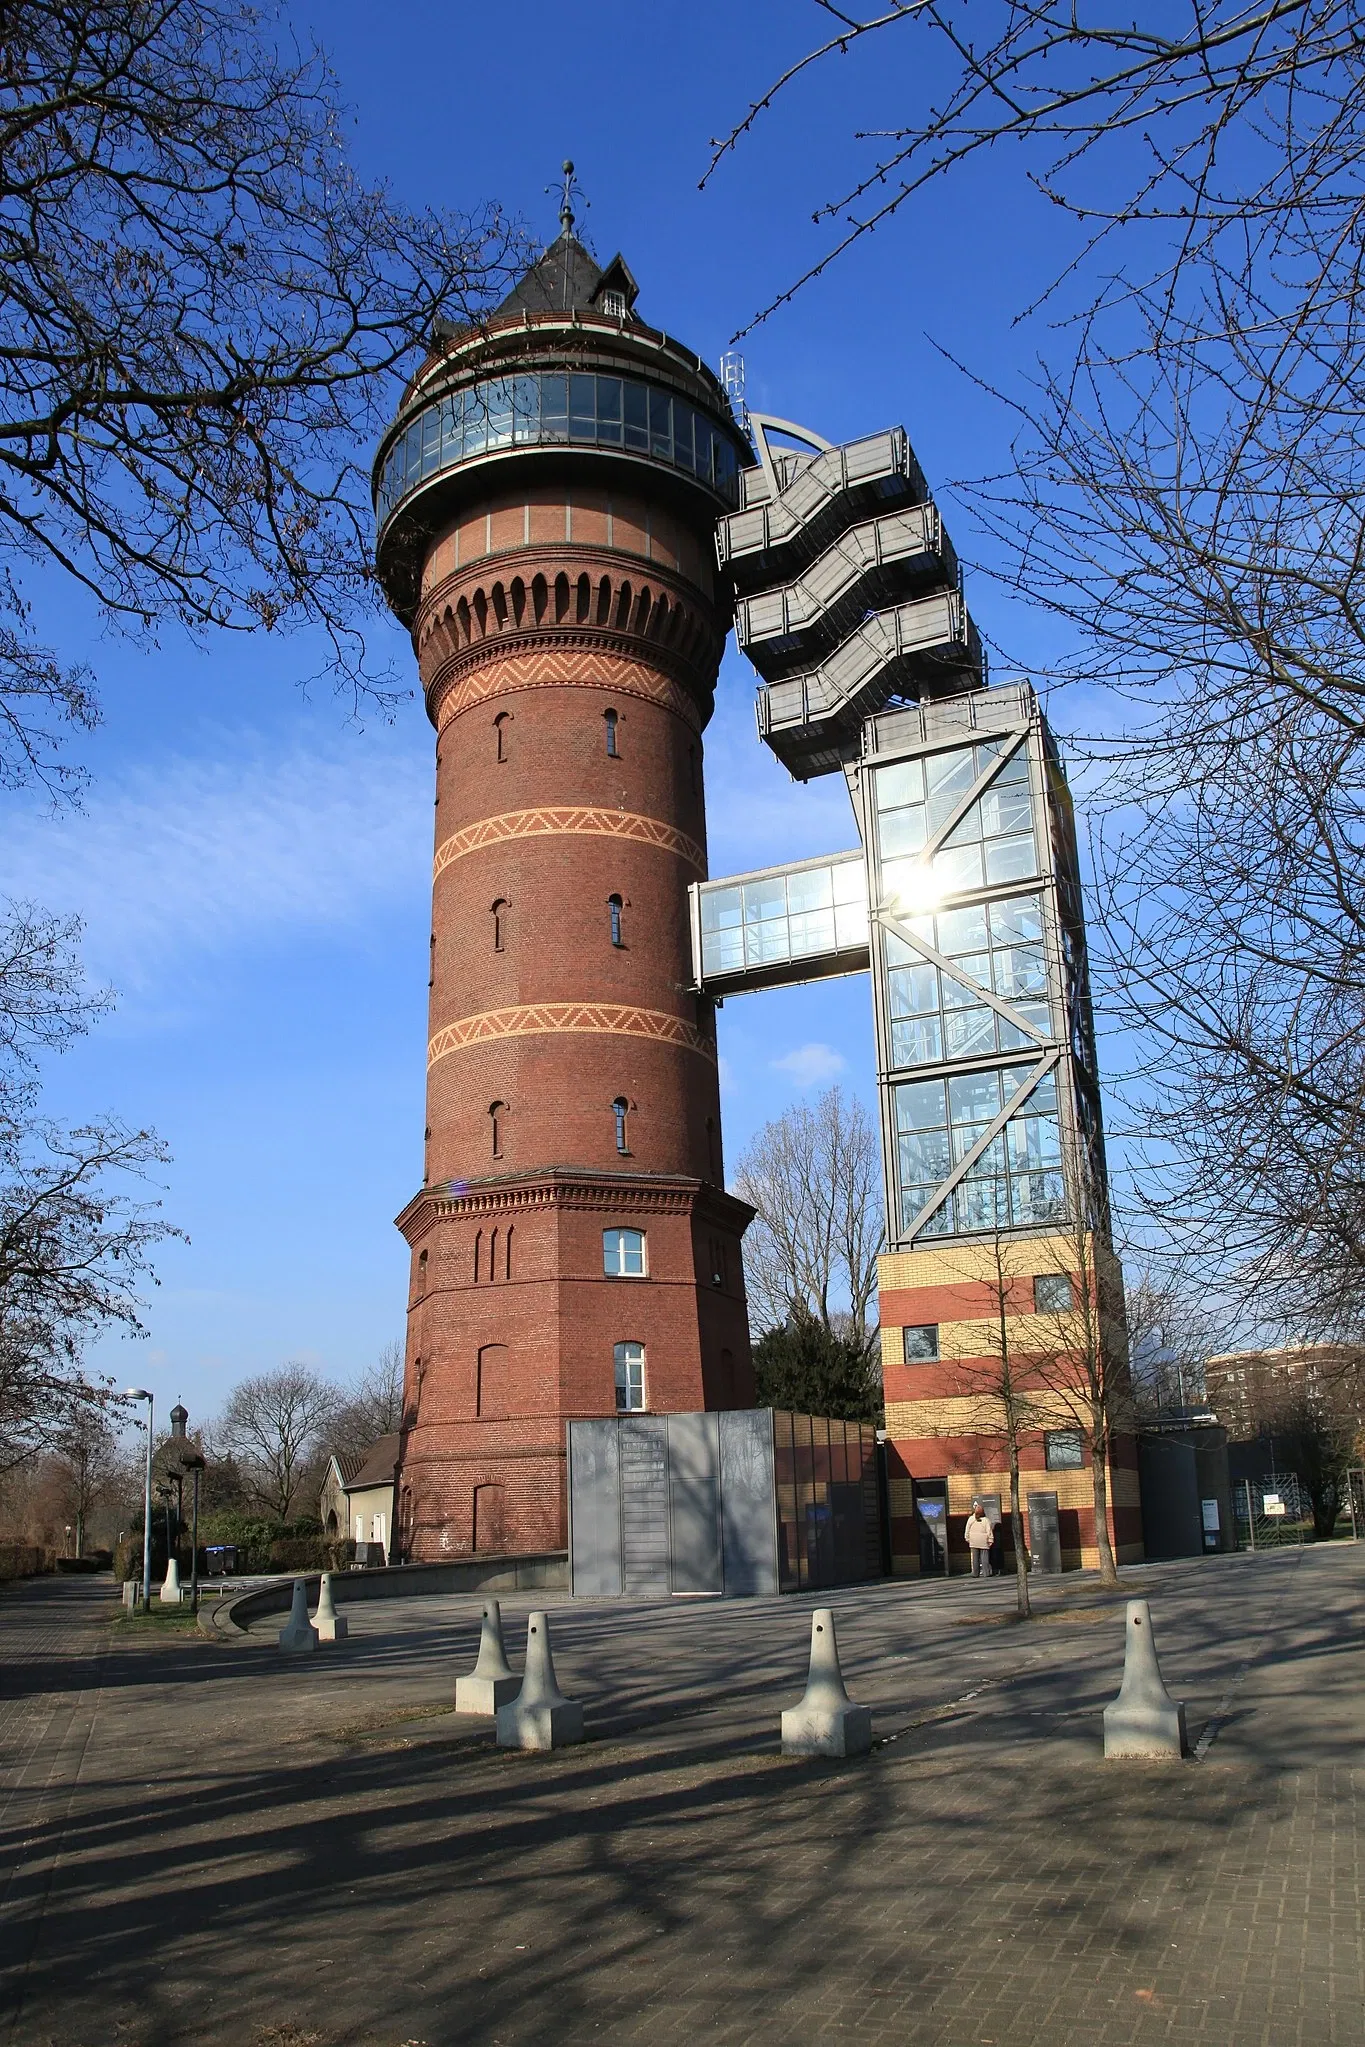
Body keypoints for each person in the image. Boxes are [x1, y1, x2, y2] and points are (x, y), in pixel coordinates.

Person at [965, 1500, 994, 1580]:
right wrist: (990, 1540)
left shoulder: (971, 1519)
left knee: (975, 1558)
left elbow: (967, 1529)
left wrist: (967, 1538)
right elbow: (989, 1531)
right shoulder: (986, 1520)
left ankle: (975, 1573)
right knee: (984, 1558)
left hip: (973, 1540)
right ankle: (986, 1573)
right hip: (983, 1541)